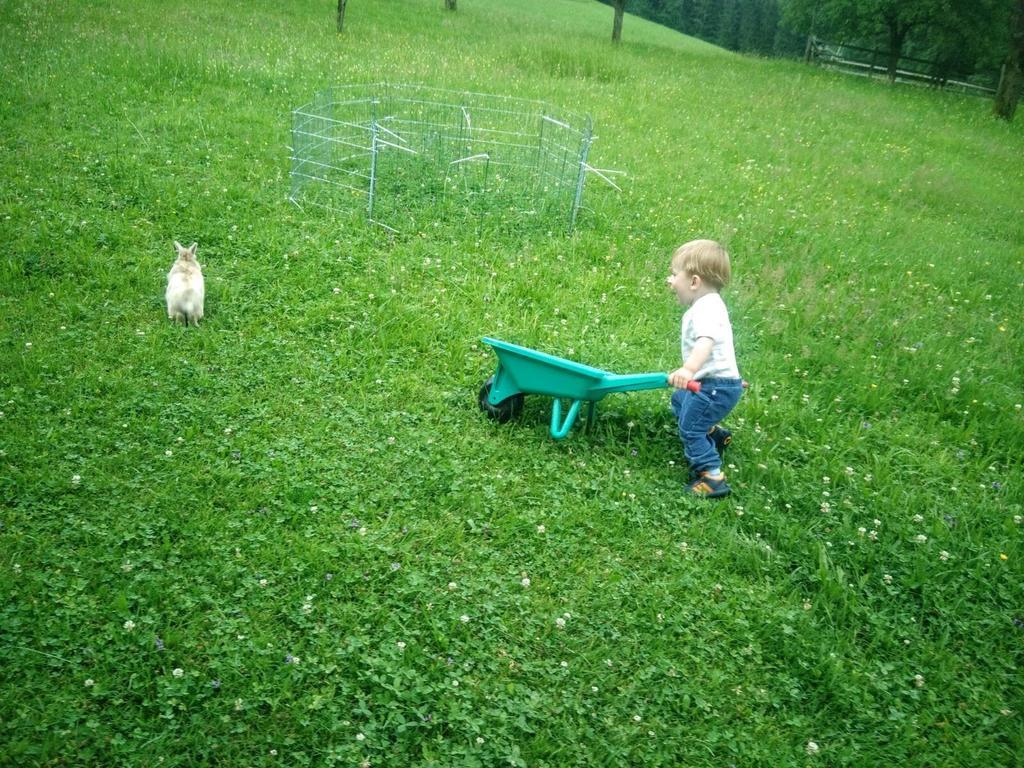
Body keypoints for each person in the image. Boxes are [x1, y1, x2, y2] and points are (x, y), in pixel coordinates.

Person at [666, 239, 743, 498]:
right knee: (680, 400)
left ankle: (712, 476)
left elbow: (707, 341)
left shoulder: (705, 310)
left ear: (694, 282)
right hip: (720, 384)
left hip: (714, 387)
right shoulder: (711, 304)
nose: (670, 281)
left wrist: (688, 370)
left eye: (675, 275)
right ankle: (715, 436)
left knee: (690, 428)